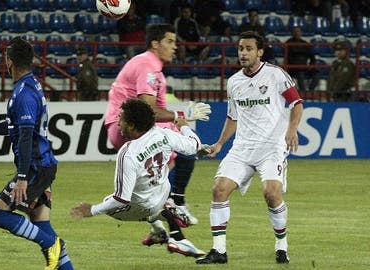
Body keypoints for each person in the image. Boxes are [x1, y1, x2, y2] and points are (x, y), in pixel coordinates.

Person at [0, 37, 74, 270]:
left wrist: (22, 177)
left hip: (34, 167)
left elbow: (25, 137)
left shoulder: (23, 93)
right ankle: (60, 256)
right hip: (42, 164)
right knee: (40, 221)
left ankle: (51, 243)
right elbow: (16, 128)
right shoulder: (29, 85)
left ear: (9, 61)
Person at [195, 31, 303, 265]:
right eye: (240, 49)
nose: (243, 53)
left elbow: (296, 102)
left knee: (271, 193)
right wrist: (220, 144)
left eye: (249, 49)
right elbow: (233, 117)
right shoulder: (234, 82)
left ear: (260, 52)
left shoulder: (276, 75)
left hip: (272, 147)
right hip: (242, 148)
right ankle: (219, 251)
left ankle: (281, 245)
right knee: (219, 189)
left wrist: (292, 128)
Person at [104, 23, 211, 227]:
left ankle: (159, 224)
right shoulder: (148, 67)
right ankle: (175, 202)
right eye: (169, 41)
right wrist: (182, 115)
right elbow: (148, 110)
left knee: (167, 162)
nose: (175, 47)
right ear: (155, 44)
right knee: (184, 152)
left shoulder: (152, 67)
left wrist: (178, 121)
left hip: (125, 125)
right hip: (128, 125)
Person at [71, 98, 206, 257]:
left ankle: (166, 216)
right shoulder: (163, 133)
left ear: (132, 125)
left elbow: (122, 199)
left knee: (109, 202)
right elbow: (195, 146)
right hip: (163, 193)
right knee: (153, 191)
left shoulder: (128, 153)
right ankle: (165, 228)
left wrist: (92, 210)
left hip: (144, 206)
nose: (118, 122)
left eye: (121, 118)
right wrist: (184, 126)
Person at [285, 26, 319, 91]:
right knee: (300, 73)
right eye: (295, 31)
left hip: (304, 67)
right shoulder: (288, 43)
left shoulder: (305, 43)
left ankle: (310, 91)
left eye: (298, 31)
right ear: (292, 33)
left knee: (316, 73)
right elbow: (288, 57)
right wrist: (296, 65)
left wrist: (311, 65)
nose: (297, 33)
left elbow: (312, 57)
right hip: (294, 68)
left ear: (301, 33)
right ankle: (303, 93)